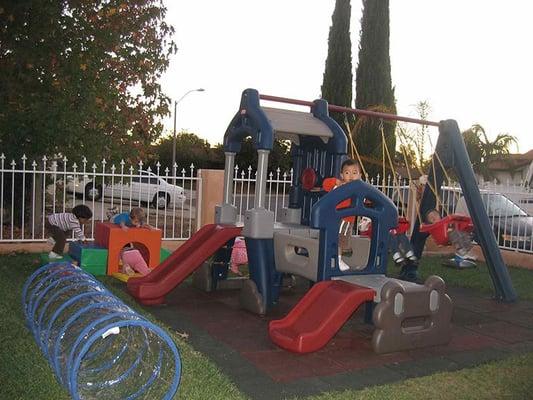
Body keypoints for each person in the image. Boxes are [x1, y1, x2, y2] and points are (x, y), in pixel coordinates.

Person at [333, 159, 362, 271]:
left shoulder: (359, 188)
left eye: (354, 173)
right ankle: (338, 260)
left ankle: (339, 257)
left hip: (350, 220)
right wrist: (336, 182)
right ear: (342, 175)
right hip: (343, 218)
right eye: (347, 173)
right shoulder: (341, 186)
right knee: (340, 239)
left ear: (359, 175)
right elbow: (326, 184)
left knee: (344, 239)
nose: (350, 176)